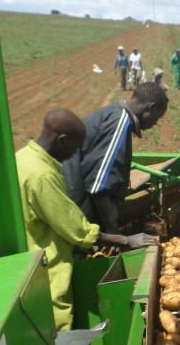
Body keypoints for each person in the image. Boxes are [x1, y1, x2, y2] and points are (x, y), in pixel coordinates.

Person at [16, 108, 155, 331]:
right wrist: (126, 241)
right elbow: (75, 229)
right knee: (55, 326)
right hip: (46, 263)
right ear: (61, 139)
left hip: (28, 249)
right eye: (74, 147)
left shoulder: (23, 158)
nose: (74, 155)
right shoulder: (42, 175)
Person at [63, 81, 168, 232]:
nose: (155, 123)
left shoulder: (113, 112)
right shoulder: (119, 123)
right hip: (75, 212)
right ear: (150, 107)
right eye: (157, 117)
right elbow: (98, 186)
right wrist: (113, 230)